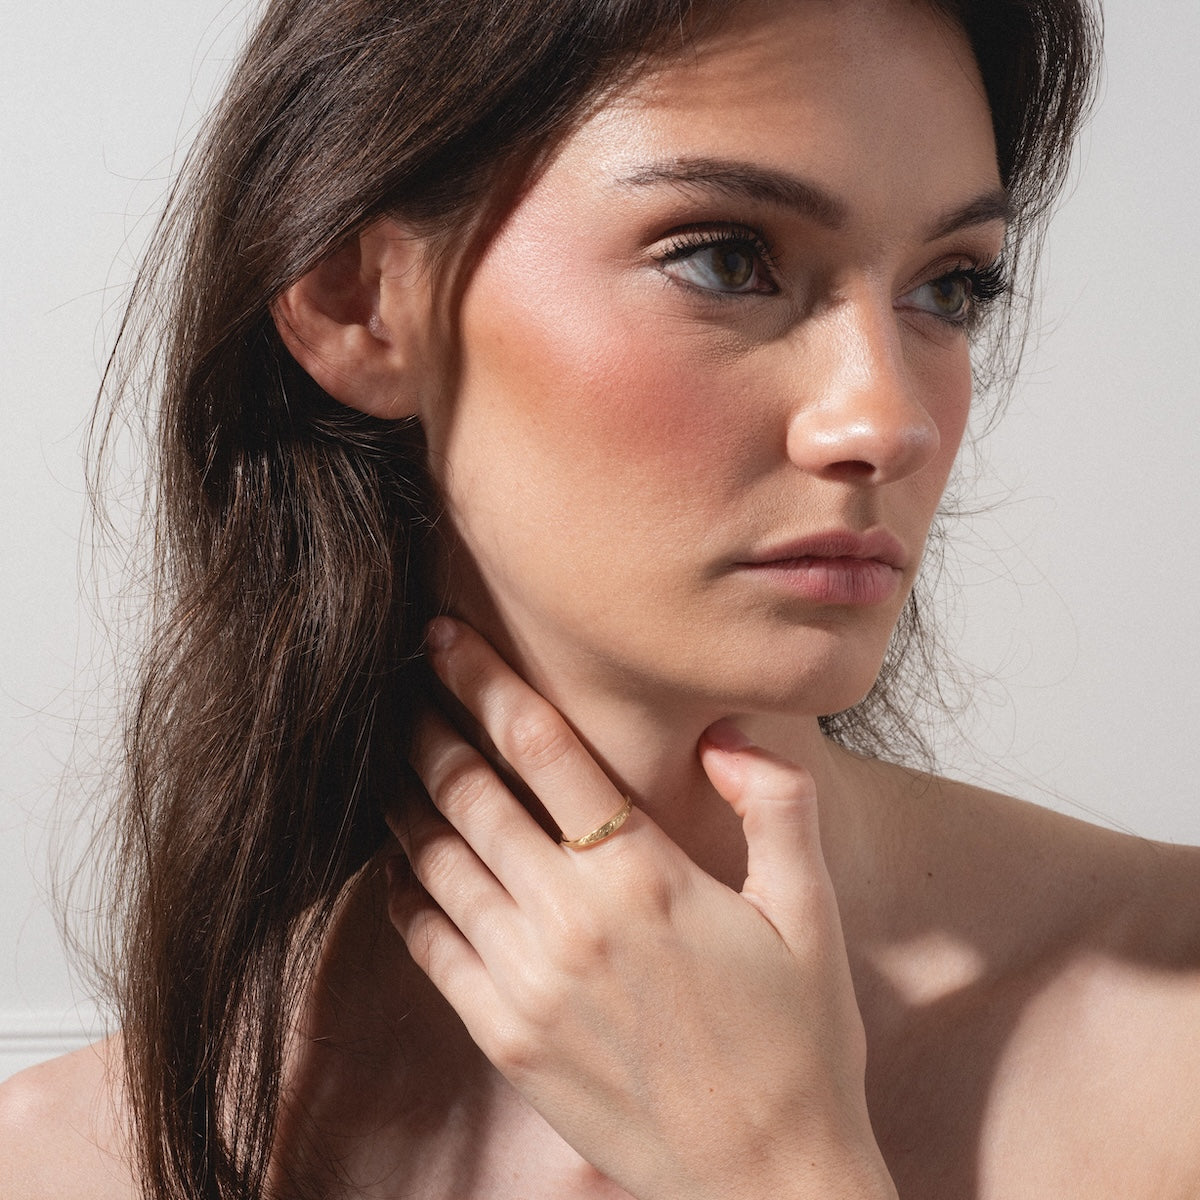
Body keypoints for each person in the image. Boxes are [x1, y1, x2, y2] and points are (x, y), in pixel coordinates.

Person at [2, 0, 1199, 1197]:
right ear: (360, 302)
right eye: (727, 259)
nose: (886, 421)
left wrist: (779, 1168)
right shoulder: (65, 1158)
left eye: (950, 287)